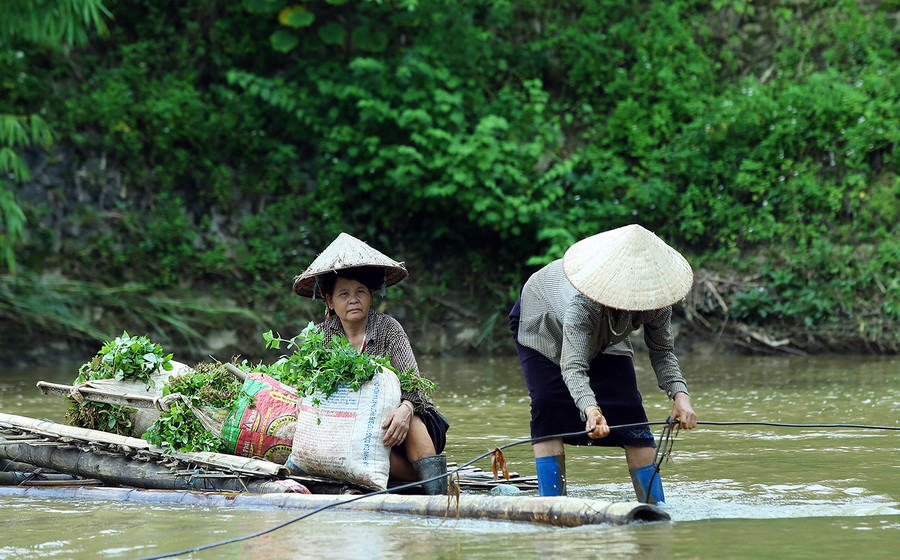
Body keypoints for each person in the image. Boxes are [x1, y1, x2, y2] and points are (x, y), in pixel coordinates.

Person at [508, 224, 698, 504]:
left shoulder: (657, 302)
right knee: (549, 404)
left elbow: (662, 351)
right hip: (544, 320)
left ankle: (654, 506)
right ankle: (553, 504)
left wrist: (681, 396)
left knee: (629, 408)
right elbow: (573, 366)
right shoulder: (583, 303)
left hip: (607, 333)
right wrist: (591, 409)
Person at [293, 232, 450, 494]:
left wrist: (406, 409)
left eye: (360, 292)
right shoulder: (320, 337)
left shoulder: (388, 328)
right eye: (343, 294)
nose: (353, 299)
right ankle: (417, 482)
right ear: (330, 302)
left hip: (399, 425)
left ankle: (435, 493)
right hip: (350, 432)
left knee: (408, 421)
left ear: (370, 297)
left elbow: (415, 386)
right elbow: (304, 389)